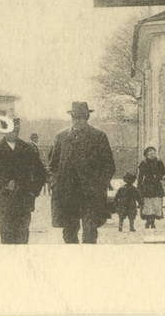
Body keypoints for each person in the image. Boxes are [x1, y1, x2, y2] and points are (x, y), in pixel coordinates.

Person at [48, 101, 116, 244]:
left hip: (90, 194)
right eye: (75, 117)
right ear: (71, 117)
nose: (78, 120)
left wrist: (99, 185)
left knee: (90, 232)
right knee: (69, 233)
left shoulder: (98, 136)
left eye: (82, 117)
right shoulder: (61, 137)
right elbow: (53, 165)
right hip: (68, 194)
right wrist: (55, 184)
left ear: (87, 118)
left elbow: (109, 166)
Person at [0, 118, 48, 244]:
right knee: (6, 239)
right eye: (11, 130)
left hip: (24, 202)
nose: (14, 133)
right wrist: (4, 184)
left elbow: (40, 173)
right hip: (4, 202)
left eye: (16, 130)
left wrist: (33, 192)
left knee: (22, 238)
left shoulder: (28, 149)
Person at [137, 146, 165, 229]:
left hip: (156, 185)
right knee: (147, 204)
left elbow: (163, 173)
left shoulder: (159, 163)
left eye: (154, 153)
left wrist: (162, 177)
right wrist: (139, 187)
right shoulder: (143, 163)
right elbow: (140, 176)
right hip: (147, 185)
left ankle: (153, 222)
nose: (152, 155)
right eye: (150, 154)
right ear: (146, 155)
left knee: (156, 203)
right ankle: (148, 221)